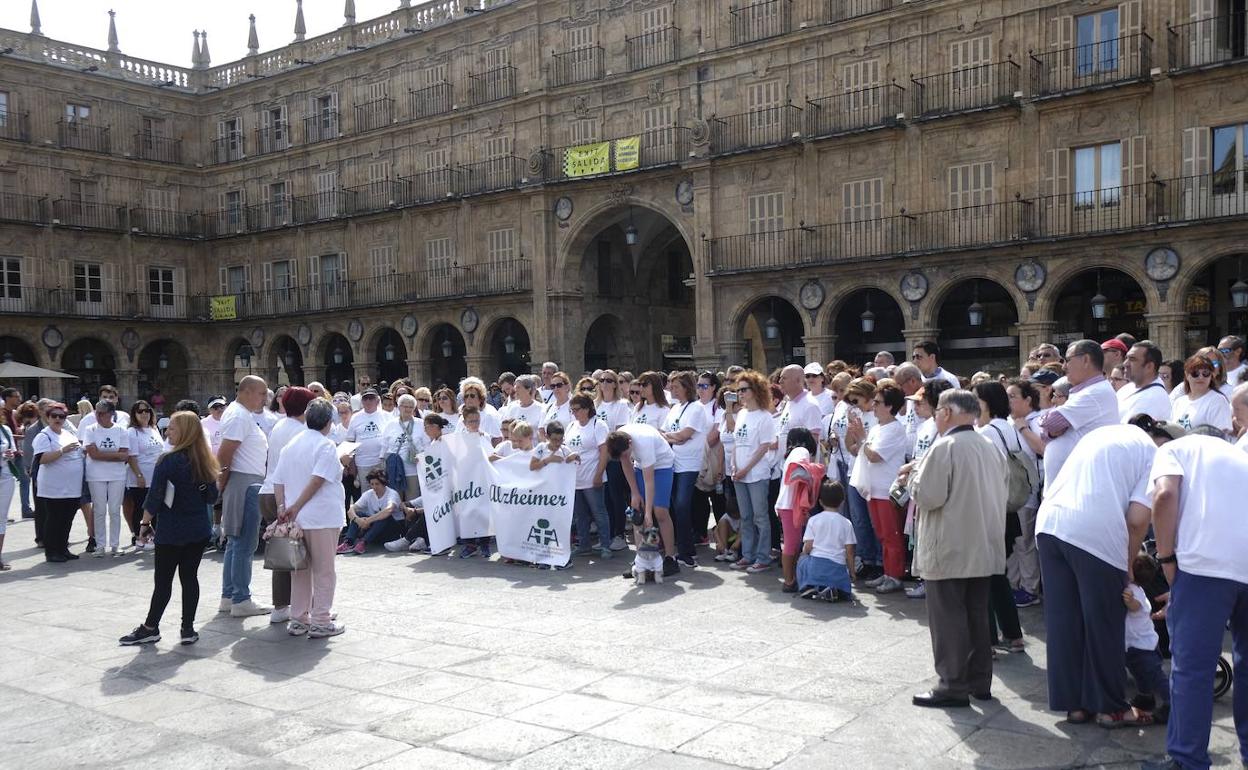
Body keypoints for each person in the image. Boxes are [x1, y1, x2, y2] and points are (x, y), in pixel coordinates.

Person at [1036, 417, 1180, 727]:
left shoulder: (1102, 436)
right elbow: (1138, 520)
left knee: (1065, 621)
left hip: (1049, 524)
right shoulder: (1152, 454)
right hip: (1096, 533)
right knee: (1105, 622)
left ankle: (1074, 705)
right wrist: (1127, 564)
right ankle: (1111, 708)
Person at [1147, 431, 1248, 770]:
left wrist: (1165, 559)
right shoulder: (1238, 456)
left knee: (1192, 670)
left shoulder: (1172, 450)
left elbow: (1164, 496)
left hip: (1204, 566)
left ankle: (1187, 760)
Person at [908, 389, 1008, 709]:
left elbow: (927, 496)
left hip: (950, 546)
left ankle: (952, 684)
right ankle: (980, 681)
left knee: (949, 617)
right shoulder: (989, 445)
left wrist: (912, 476)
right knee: (976, 615)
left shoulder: (946, 446)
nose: (936, 416)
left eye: (938, 410)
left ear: (947, 413)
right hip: (983, 544)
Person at [118, 411, 219, 646]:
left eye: (172, 428)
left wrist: (144, 524)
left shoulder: (167, 461)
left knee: (163, 581)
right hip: (197, 529)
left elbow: (155, 497)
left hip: (172, 529)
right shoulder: (205, 460)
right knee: (189, 578)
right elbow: (212, 498)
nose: (167, 431)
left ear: (183, 432)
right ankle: (187, 629)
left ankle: (150, 627)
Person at [273, 398, 346, 638]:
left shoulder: (291, 444)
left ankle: (299, 618)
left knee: (300, 570)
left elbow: (278, 481)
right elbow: (318, 480)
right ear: (328, 422)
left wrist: (284, 507)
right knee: (324, 570)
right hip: (321, 516)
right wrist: (294, 506)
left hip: (298, 518)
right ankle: (321, 619)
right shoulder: (325, 446)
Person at [971, 381, 1028, 653]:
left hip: (991, 510)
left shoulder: (987, 432)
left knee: (984, 575)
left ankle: (989, 640)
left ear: (986, 402)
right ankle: (1012, 634)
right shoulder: (1007, 427)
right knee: (997, 574)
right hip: (1007, 509)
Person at [257, 387, 315, 625]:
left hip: (268, 491)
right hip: (285, 495)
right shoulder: (301, 431)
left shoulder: (280, 425)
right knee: (299, 551)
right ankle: (303, 607)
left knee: (283, 548)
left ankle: (281, 605)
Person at [216, 375, 271, 618]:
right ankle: (241, 598)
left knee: (236, 541)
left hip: (244, 480)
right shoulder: (239, 415)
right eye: (261, 393)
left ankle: (229, 595)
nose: (264, 398)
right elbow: (225, 453)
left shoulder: (238, 414)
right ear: (247, 391)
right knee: (245, 543)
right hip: (245, 481)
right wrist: (224, 480)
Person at [852, 381, 909, 594]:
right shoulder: (878, 428)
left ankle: (895, 575)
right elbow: (861, 450)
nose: (873, 405)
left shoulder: (895, 429)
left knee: (891, 535)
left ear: (889, 406)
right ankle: (887, 572)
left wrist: (861, 439)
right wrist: (860, 439)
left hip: (887, 490)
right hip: (874, 489)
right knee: (882, 534)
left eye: (878, 402)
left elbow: (874, 456)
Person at [1040, 339, 1119, 483]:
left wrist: (1050, 427)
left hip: (1079, 484)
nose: (1063, 366)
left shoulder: (1094, 393)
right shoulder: (1089, 390)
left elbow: (1049, 423)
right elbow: (1049, 430)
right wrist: (1051, 432)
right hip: (1069, 484)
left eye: (1068, 360)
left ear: (1086, 360)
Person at [607, 421, 679, 577]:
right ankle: (640, 561)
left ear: (630, 443)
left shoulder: (644, 442)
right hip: (640, 466)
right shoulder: (619, 441)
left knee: (659, 511)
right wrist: (635, 494)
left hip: (662, 465)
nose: (625, 456)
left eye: (626, 453)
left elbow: (649, 482)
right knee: (636, 511)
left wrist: (648, 513)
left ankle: (670, 558)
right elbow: (626, 463)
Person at [826, 378, 882, 580]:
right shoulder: (855, 414)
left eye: (856, 400)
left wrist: (861, 438)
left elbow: (872, 447)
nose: (853, 405)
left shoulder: (877, 416)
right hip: (854, 470)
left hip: (874, 474)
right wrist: (853, 430)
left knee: (874, 520)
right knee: (858, 518)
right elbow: (851, 446)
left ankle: (879, 560)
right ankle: (865, 558)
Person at [728, 370, 777, 575]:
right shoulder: (741, 414)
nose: (739, 394)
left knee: (760, 517)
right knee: (746, 516)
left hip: (756, 473)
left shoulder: (765, 417)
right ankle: (748, 554)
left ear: (755, 390)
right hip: (739, 472)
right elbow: (736, 443)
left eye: (743, 390)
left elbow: (763, 448)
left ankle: (763, 557)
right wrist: (733, 466)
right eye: (738, 390)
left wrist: (745, 469)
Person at [661, 371, 712, 567]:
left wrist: (673, 436)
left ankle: (687, 550)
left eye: (676, 386)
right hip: (673, 461)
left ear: (686, 388)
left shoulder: (696, 408)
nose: (672, 389)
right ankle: (678, 547)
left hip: (689, 463)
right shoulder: (674, 408)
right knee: (674, 505)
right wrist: (673, 436)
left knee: (682, 505)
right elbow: (665, 432)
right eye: (671, 386)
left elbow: (685, 434)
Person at [1005, 379, 1044, 608]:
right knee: (1013, 540)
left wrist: (1024, 429)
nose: (1009, 400)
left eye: (1013, 396)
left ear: (1028, 399)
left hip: (1028, 490)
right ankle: (1014, 583)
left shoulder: (1037, 420)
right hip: (1011, 490)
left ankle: (1030, 588)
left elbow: (1041, 449)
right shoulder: (1008, 422)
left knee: (1025, 541)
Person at [32, 402, 83, 562]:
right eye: (54, 416)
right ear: (47, 417)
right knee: (54, 518)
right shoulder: (43, 436)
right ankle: (51, 551)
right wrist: (62, 451)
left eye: (61, 416)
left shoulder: (68, 434)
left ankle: (63, 548)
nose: (58, 419)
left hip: (72, 487)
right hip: (54, 487)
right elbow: (42, 459)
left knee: (67, 518)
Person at [1123, 553, 1170, 725]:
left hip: (1143, 646)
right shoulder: (1135, 588)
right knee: (1138, 673)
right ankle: (1145, 697)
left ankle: (1171, 702)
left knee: (1155, 675)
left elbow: (1135, 606)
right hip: (1134, 644)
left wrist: (1129, 601)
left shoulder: (1133, 591)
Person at [776, 426, 822, 592]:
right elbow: (798, 472)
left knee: (793, 544)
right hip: (790, 505)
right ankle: (788, 581)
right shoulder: (801, 450)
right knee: (791, 544)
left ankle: (791, 578)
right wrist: (816, 471)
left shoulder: (791, 453)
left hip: (788, 504)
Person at [83, 400, 131, 557]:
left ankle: (115, 545)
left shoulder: (121, 430)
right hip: (95, 475)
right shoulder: (90, 429)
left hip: (117, 475)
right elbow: (93, 454)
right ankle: (100, 545)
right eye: (96, 412)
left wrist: (103, 455)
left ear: (111, 414)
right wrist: (115, 455)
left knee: (114, 509)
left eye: (101, 413)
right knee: (99, 509)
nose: (97, 415)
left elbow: (125, 455)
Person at [566, 394, 610, 559]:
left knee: (599, 513)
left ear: (587, 409)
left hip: (592, 477)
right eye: (572, 410)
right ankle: (584, 545)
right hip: (575, 479)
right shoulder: (571, 426)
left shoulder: (598, 425)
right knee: (580, 515)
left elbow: (604, 451)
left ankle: (606, 545)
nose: (574, 413)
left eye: (577, 410)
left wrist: (599, 474)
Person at [797, 479, 856, 601]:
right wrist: (852, 572)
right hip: (837, 567)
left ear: (820, 502)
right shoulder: (846, 523)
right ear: (842, 502)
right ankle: (836, 589)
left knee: (802, 559)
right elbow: (849, 551)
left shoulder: (814, 520)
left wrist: (804, 552)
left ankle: (808, 586)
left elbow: (808, 546)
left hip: (816, 566)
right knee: (842, 585)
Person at [124, 401, 164, 552]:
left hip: (156, 475)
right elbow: (131, 457)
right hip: (140, 476)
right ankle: (139, 536)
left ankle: (155, 536)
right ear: (134, 414)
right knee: (141, 508)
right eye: (139, 411)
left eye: (147, 410)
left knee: (156, 508)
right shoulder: (132, 432)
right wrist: (139, 475)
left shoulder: (154, 428)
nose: (144, 414)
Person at [338, 469, 403, 554]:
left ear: (384, 483)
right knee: (358, 513)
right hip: (375, 529)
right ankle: (348, 543)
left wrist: (368, 520)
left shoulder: (392, 494)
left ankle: (363, 542)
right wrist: (358, 520)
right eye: (372, 484)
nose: (374, 487)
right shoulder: (368, 494)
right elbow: (351, 510)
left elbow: (389, 510)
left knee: (384, 516)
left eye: (377, 484)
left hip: (392, 530)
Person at [1170, 354, 1232, 437]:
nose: (1201, 377)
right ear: (1187, 375)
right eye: (1195, 373)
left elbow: (1222, 436)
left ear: (1211, 375)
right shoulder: (1179, 402)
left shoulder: (1218, 401)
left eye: (1205, 373)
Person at [346, 388, 394, 490]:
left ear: (377, 400)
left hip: (382, 462)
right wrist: (352, 465)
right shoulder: (355, 417)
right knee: (367, 493)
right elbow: (350, 441)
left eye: (371, 398)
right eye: (365, 398)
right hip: (363, 463)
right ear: (362, 401)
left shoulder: (387, 416)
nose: (368, 401)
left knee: (384, 491)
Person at [382, 394, 423, 501]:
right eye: (405, 406)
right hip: (395, 469)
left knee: (412, 500)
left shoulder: (421, 424)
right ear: (399, 407)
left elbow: (427, 445)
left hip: (413, 470)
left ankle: (411, 518)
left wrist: (422, 457)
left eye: (410, 407)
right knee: (395, 499)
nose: (407, 409)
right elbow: (384, 446)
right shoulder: (390, 424)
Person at [1120, 341, 1172, 423]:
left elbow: (1129, 431)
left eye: (1132, 359)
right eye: (1126, 358)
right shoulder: (1127, 388)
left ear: (1149, 366)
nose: (1125, 363)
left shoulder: (1154, 397)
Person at [0, 416, 17, 569]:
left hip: (5, 478)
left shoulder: (5, 430)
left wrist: (11, 455)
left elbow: (12, 451)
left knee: (1, 518)